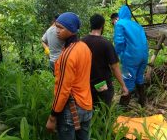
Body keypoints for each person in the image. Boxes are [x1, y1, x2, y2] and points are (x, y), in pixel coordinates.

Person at [46, 12, 93, 140]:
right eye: (56, 26)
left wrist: (52, 117)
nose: (57, 31)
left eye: (61, 28)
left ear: (72, 30)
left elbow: (62, 89)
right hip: (87, 105)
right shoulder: (84, 47)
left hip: (71, 109)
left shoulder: (67, 55)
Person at [82, 14, 128, 107]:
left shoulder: (82, 42)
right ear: (102, 26)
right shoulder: (106, 44)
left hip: (86, 84)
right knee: (104, 109)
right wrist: (123, 85)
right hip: (102, 84)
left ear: (91, 25)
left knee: (90, 109)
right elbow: (114, 67)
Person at [113, 5, 148, 107]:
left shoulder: (120, 24)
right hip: (144, 55)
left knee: (127, 79)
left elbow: (119, 42)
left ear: (120, 14)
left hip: (131, 57)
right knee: (139, 77)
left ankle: (122, 108)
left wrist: (115, 56)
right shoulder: (137, 25)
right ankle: (142, 102)